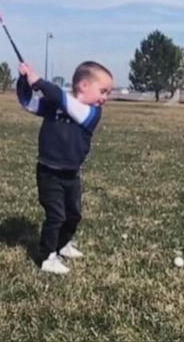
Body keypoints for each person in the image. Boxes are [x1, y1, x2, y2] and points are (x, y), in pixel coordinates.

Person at [17, 61, 114, 274]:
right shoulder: (56, 105)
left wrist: (39, 81)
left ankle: (62, 244)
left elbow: (62, 99)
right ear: (84, 85)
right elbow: (28, 102)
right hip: (48, 172)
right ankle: (47, 257)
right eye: (103, 91)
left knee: (74, 214)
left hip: (71, 174)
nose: (105, 97)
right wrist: (25, 80)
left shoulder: (91, 113)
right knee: (56, 216)